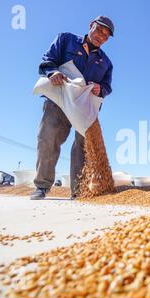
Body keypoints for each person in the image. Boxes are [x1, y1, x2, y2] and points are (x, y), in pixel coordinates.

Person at [30, 16, 115, 200]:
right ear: (91, 25)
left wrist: (101, 89)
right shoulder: (66, 40)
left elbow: (107, 87)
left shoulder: (106, 62)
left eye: (106, 35)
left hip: (85, 108)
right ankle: (42, 186)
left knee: (83, 148)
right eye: (100, 30)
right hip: (60, 99)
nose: (102, 36)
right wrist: (53, 72)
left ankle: (78, 191)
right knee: (48, 138)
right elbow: (47, 60)